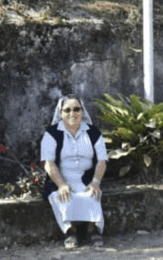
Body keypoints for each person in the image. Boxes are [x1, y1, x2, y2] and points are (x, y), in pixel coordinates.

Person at [40, 95, 108, 249]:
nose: (72, 113)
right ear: (61, 113)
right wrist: (61, 184)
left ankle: (92, 229)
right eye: (67, 110)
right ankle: (71, 231)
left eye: (76, 109)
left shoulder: (93, 132)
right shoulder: (51, 134)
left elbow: (102, 161)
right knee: (61, 195)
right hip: (60, 178)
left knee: (91, 192)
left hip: (86, 178)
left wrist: (96, 182)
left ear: (82, 111)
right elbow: (48, 163)